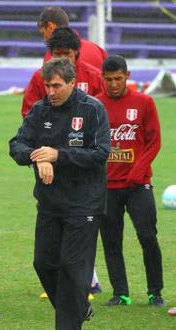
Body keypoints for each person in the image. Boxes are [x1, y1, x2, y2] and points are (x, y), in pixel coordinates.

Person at [9, 58, 110, 330]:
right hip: (50, 202)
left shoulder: (92, 109)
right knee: (43, 263)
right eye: (47, 86)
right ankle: (79, 307)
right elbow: (16, 143)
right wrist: (36, 157)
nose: (51, 92)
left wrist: (58, 156)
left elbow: (101, 154)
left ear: (72, 83)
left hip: (84, 204)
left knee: (72, 269)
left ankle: (69, 322)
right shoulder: (40, 110)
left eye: (57, 86)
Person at [96, 55, 165, 307]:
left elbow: (154, 141)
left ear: (128, 76)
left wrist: (138, 170)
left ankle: (155, 292)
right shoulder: (96, 105)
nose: (113, 84)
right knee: (111, 240)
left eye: (118, 79)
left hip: (138, 185)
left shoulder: (144, 102)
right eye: (108, 80)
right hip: (106, 187)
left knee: (147, 236)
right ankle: (120, 293)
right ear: (103, 78)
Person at [22, 27, 104, 118]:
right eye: (58, 54)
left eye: (67, 53)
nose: (63, 58)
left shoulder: (94, 76)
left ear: (76, 52)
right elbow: (29, 112)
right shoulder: (39, 77)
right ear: (51, 53)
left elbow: (103, 110)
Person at [38, 6, 107, 70]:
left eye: (43, 33)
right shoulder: (97, 50)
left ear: (50, 26)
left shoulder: (52, 58)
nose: (44, 40)